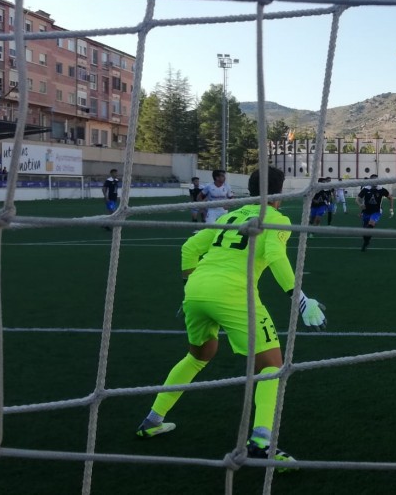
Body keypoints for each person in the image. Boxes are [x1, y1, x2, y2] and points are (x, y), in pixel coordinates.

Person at [134, 166, 327, 470]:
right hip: (234, 294)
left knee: (200, 354)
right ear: (280, 192)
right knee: (271, 367)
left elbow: (188, 247)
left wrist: (190, 288)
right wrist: (301, 300)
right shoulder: (276, 219)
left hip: (196, 289)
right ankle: (262, 443)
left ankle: (152, 420)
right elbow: (277, 258)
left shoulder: (227, 216)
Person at [357, 174, 393, 252]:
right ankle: (366, 242)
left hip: (376, 211)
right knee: (365, 231)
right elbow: (357, 199)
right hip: (366, 212)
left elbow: (390, 198)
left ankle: (369, 234)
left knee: (371, 224)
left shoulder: (381, 189)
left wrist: (391, 209)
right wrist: (360, 205)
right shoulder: (365, 189)